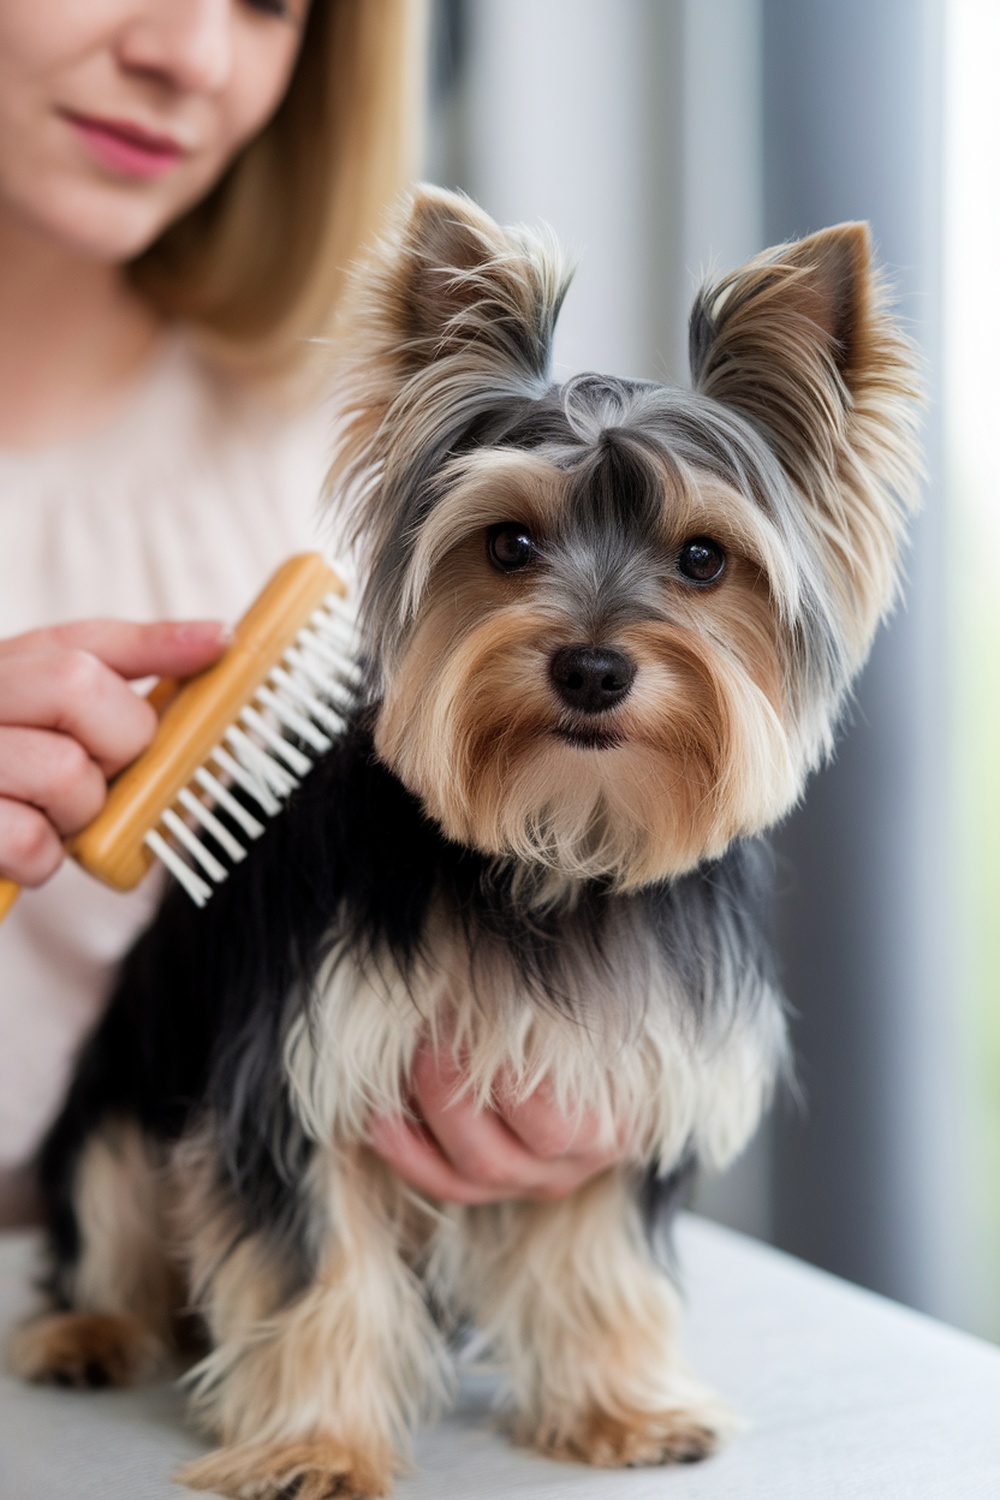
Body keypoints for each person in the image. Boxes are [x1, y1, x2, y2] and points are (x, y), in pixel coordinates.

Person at [0, 1, 621, 1226]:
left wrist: (571, 1071)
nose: (190, 56)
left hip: (203, 1252)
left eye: (273, 3)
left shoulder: (382, 471)